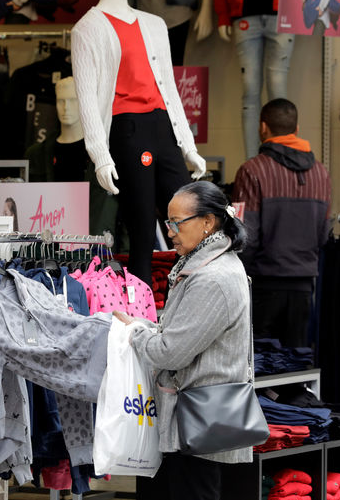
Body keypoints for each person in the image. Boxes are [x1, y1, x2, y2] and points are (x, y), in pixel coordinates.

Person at [71, 0, 206, 288]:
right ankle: (143, 310)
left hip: (162, 125)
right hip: (128, 130)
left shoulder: (154, 24)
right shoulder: (88, 29)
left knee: (189, 212)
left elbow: (169, 89)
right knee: (142, 224)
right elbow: (87, 98)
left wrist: (187, 145)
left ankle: (195, 291)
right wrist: (100, 156)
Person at [113, 180, 252, 499]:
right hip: (195, 420)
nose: (170, 231)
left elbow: (169, 353)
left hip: (196, 424)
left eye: (177, 222)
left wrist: (136, 331)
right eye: (168, 221)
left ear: (208, 222)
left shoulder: (212, 278)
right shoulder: (208, 266)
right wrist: (148, 327)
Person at [231, 98, 331, 347]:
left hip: (263, 285)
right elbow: (325, 235)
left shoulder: (252, 171)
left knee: (261, 367)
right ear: (296, 130)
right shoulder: (321, 173)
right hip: (305, 286)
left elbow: (245, 234)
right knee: (296, 366)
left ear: (263, 127)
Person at [213, 0, 295, 159]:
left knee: (278, 92)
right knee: (250, 92)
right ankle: (253, 164)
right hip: (245, 16)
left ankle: (281, 165)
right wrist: (222, 14)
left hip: (282, 15)